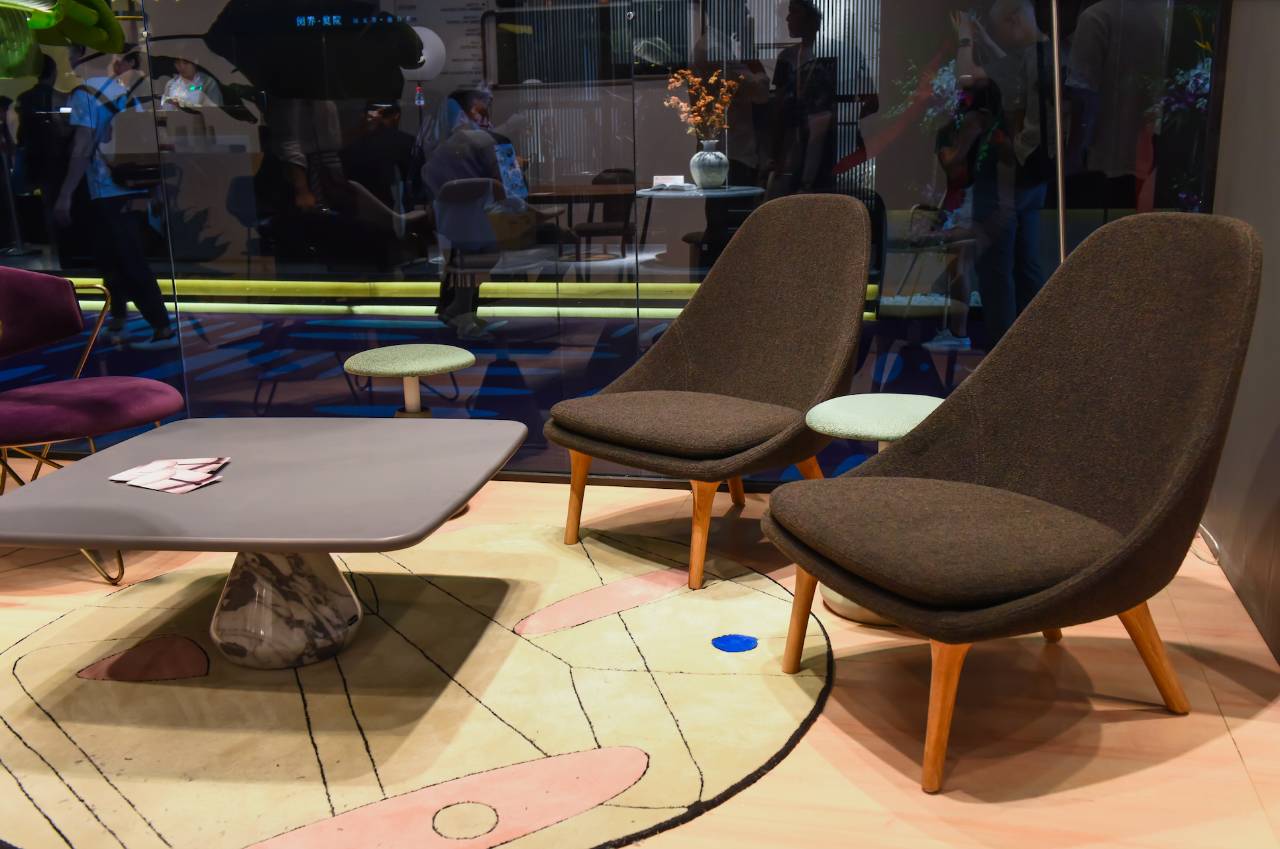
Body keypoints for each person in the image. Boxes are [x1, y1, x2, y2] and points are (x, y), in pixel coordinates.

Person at [55, 45, 176, 349]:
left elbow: (82, 147)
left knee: (126, 258)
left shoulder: (84, 95)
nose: (70, 60)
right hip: (133, 184)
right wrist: (155, 189)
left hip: (106, 188)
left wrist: (65, 194)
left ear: (81, 58)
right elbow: (145, 141)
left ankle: (161, 326)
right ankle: (119, 318)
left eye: (72, 54)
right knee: (114, 256)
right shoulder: (124, 91)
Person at [952, 0, 1054, 349]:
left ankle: (1002, 355)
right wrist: (986, 39)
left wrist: (966, 37)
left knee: (995, 270)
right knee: (1025, 265)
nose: (1001, 40)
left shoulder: (1029, 58)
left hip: (1007, 177)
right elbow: (1007, 71)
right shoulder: (1045, 54)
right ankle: (1032, 350)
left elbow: (966, 77)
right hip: (1033, 179)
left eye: (1000, 31)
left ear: (1014, 19)